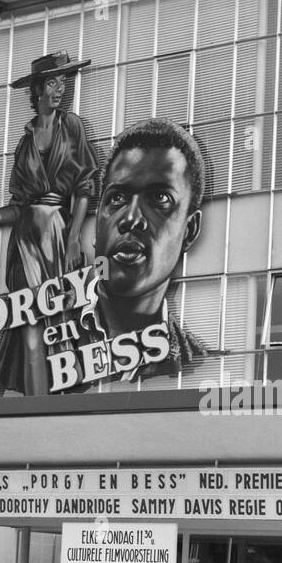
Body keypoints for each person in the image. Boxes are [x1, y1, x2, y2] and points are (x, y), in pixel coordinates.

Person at [0, 51, 102, 396]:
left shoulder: (73, 127)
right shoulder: (24, 144)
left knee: (60, 318)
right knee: (30, 319)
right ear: (37, 90)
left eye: (63, 83)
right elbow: (18, 206)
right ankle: (37, 404)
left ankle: (56, 395)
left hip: (57, 235)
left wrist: (73, 238)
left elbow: (84, 187)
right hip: (24, 243)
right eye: (52, 82)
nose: (59, 90)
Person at [89, 118, 215, 382]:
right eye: (117, 198)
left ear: (189, 231)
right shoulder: (42, 343)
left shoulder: (196, 366)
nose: (131, 219)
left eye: (159, 198)